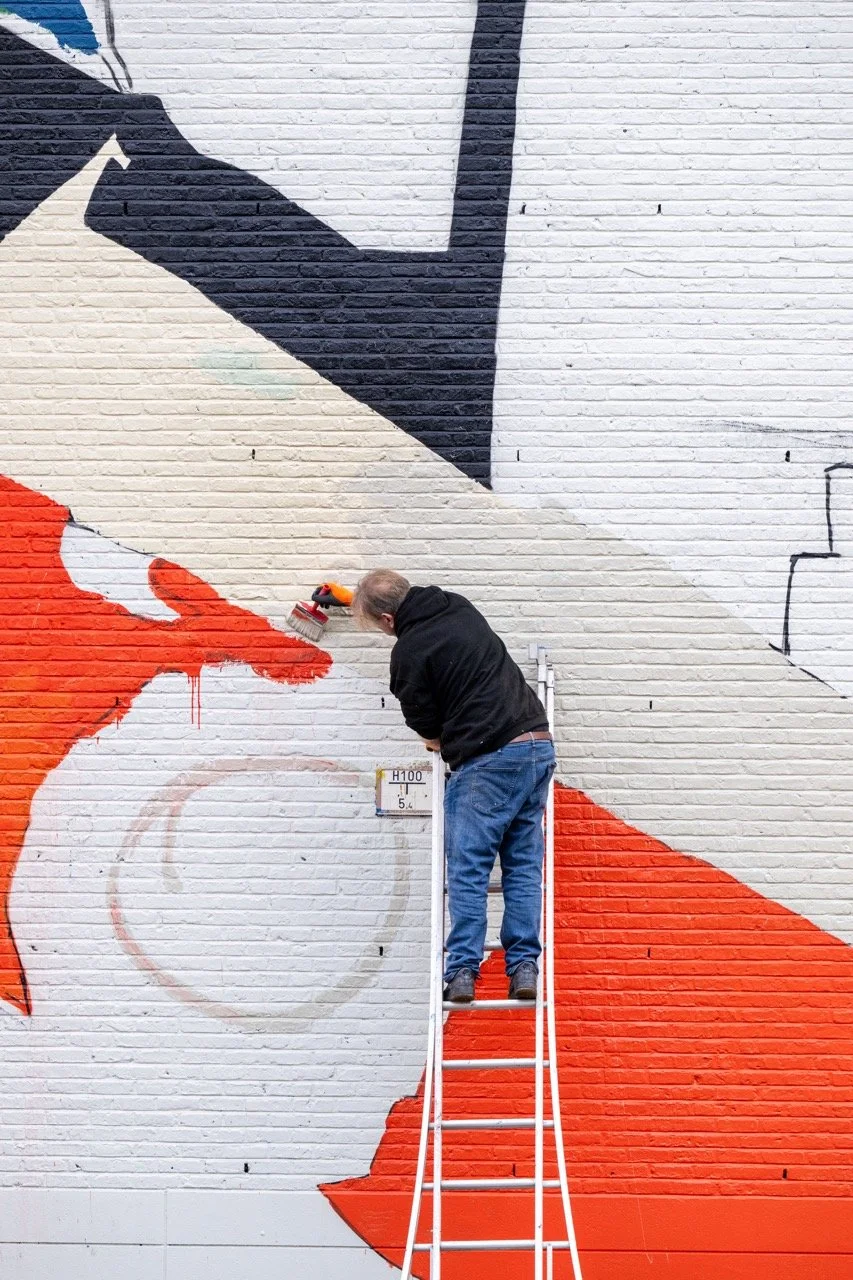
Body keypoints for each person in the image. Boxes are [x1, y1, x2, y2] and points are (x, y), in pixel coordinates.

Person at [353, 568, 556, 1003]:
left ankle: (462, 969)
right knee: (522, 866)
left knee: (468, 868)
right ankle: (524, 967)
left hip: (488, 758)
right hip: (536, 746)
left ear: (387, 620)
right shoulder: (458, 606)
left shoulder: (408, 652)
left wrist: (438, 740)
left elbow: (425, 724)